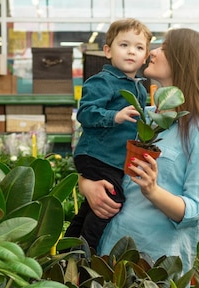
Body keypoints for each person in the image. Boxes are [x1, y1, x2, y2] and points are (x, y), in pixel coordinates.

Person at [77, 28, 199, 277]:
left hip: (154, 266)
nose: (153, 52)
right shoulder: (142, 115)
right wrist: (86, 183)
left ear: (184, 62)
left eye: (164, 48)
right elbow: (101, 154)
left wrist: (152, 190)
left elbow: (195, 211)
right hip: (108, 252)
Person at [65, 18, 152, 251]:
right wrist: (114, 116)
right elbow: (85, 112)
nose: (131, 52)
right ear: (107, 51)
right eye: (124, 45)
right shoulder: (103, 81)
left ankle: (67, 250)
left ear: (145, 57)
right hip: (98, 155)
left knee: (90, 207)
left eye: (139, 47)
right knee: (111, 200)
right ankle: (86, 252)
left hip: (112, 158)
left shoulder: (141, 89)